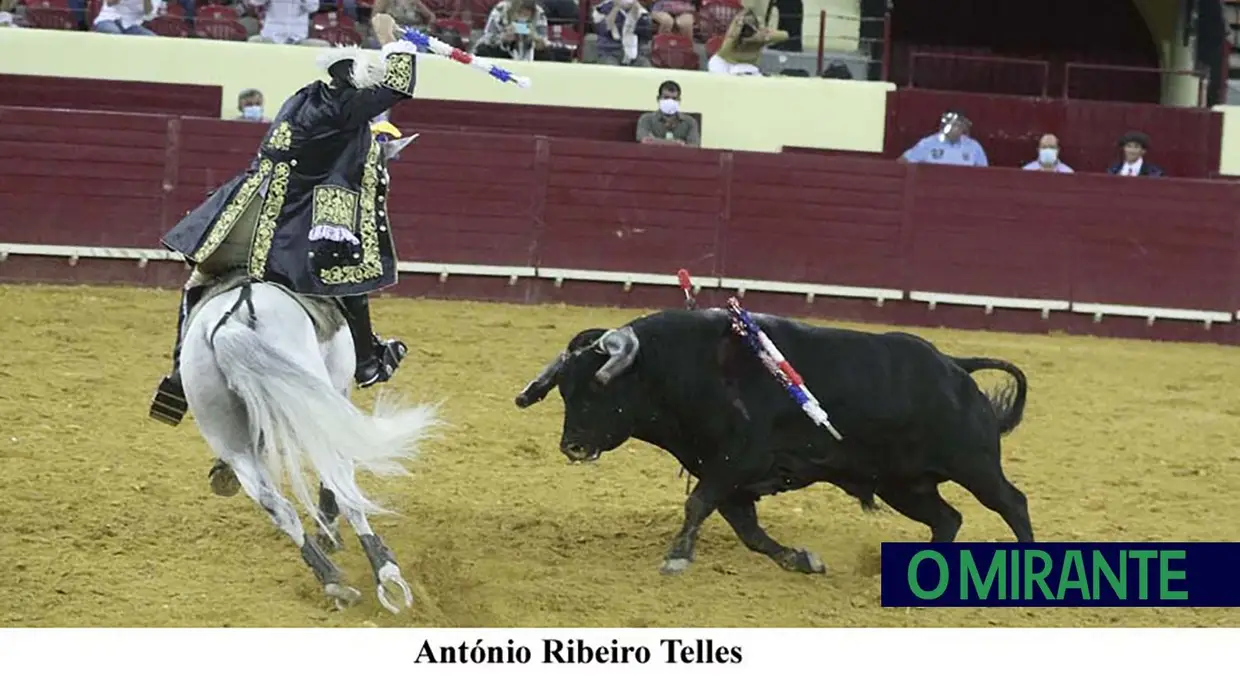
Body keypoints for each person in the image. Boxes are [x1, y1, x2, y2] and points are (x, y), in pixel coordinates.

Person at [149, 11, 419, 428]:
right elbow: (399, 84)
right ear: (355, 82)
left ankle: (181, 372)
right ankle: (366, 360)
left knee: (199, 283)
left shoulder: (306, 97)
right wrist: (392, 40)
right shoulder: (346, 105)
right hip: (291, 218)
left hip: (245, 210)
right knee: (347, 277)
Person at [898, 110, 988, 167]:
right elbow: (903, 161)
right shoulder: (928, 143)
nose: (955, 128)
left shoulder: (973, 146)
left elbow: (983, 172)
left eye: (959, 125)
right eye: (952, 124)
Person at [635, 79, 699, 147]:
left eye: (674, 99)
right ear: (658, 98)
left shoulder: (690, 122)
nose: (670, 101)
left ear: (679, 100)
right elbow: (645, 141)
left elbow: (693, 146)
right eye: (666, 98)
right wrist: (678, 144)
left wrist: (655, 140)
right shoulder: (646, 119)